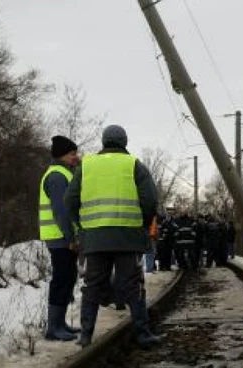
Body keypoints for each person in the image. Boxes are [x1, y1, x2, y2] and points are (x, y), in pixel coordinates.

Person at [64, 125, 161, 348]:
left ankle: (86, 335)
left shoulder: (86, 166)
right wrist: (143, 225)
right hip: (128, 237)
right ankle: (143, 334)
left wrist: (82, 225)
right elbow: (150, 200)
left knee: (93, 285)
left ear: (104, 142)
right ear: (125, 142)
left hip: (95, 238)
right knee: (133, 285)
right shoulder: (133, 164)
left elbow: (70, 200)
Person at [38, 135, 80, 341]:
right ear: (62, 155)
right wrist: (71, 236)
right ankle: (54, 328)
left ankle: (60, 323)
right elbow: (61, 211)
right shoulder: (56, 176)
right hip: (60, 237)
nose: (76, 157)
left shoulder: (64, 173)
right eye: (72, 153)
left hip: (63, 236)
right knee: (61, 279)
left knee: (68, 277)